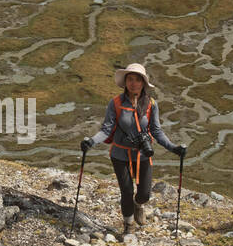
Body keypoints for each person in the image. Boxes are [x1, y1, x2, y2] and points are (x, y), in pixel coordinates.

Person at [80, 63, 186, 236]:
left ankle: (139, 205)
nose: (134, 83)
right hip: (120, 154)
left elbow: (157, 131)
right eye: (130, 79)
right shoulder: (115, 103)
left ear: (143, 83)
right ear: (126, 82)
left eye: (138, 80)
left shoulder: (151, 104)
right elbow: (106, 129)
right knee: (127, 191)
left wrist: (174, 148)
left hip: (143, 154)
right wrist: (91, 142)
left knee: (144, 194)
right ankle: (128, 224)